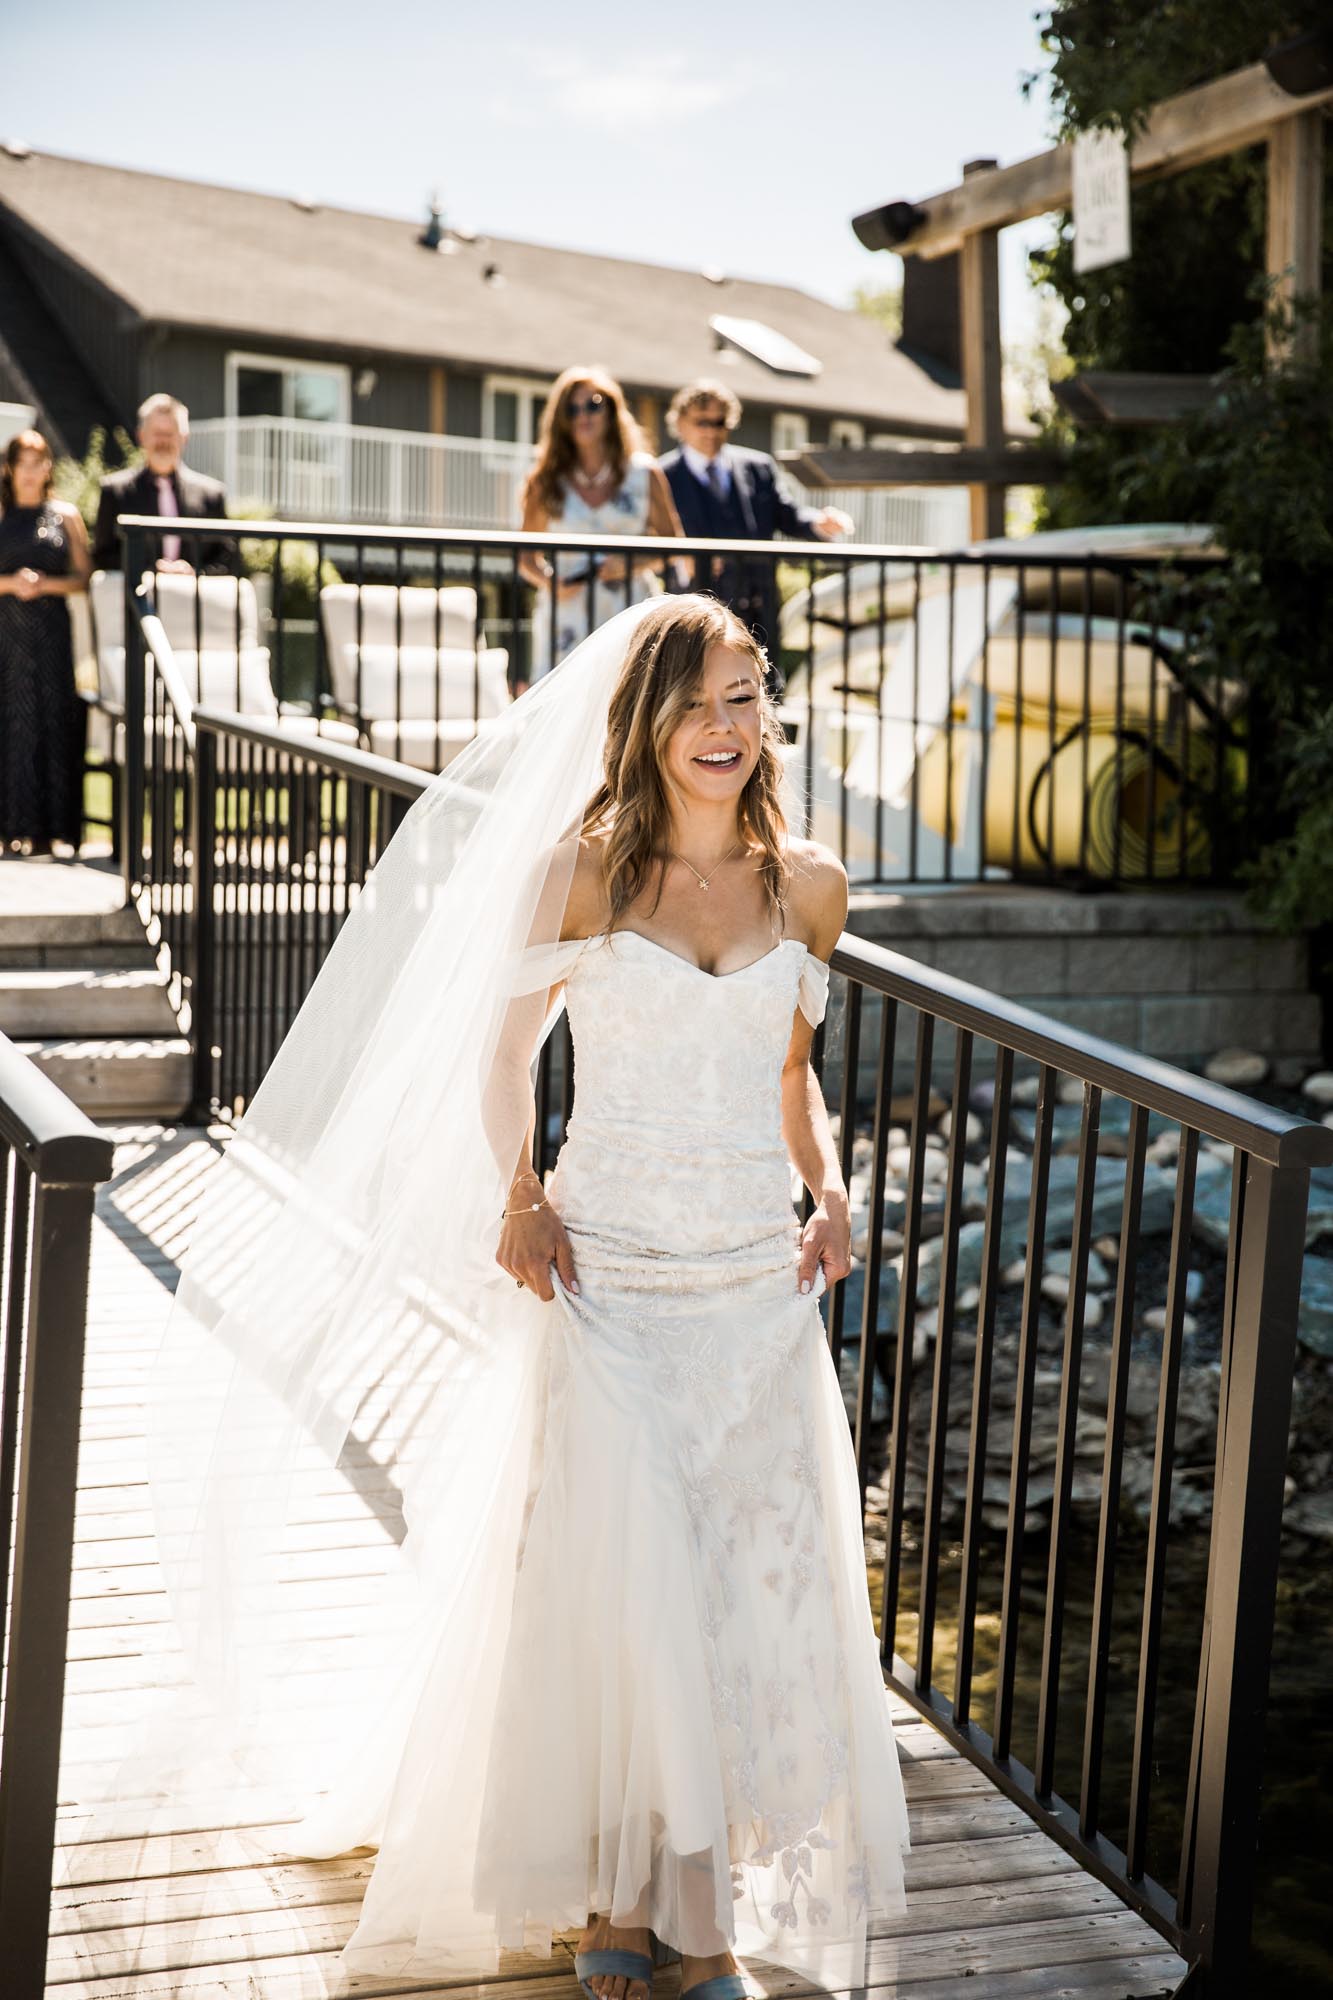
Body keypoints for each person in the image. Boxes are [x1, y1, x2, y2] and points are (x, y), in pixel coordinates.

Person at [88, 595, 910, 1991]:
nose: (723, 728)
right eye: (696, 703)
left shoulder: (808, 889)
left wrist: (827, 1189)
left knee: (736, 1587)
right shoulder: (579, 873)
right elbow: (502, 1054)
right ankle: (621, 1904)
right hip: (610, 1276)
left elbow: (791, 1074)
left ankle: (691, 1902)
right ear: (645, 721)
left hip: (750, 1285)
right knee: (620, 1583)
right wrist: (519, 1190)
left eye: (743, 698)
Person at [658, 381, 853, 691]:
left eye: (720, 422)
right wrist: (683, 559)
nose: (711, 431)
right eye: (702, 422)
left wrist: (819, 522)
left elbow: (788, 514)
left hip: (757, 602)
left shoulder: (757, 467)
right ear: (680, 423)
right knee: (696, 688)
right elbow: (654, 537)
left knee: (762, 688)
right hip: (695, 603)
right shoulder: (661, 475)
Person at [519, 367, 684, 676]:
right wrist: (550, 582)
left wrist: (630, 565)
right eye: (572, 409)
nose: (583, 415)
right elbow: (526, 557)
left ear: (612, 410)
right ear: (561, 419)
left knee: (630, 696)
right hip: (566, 615)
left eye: (592, 404)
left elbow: (673, 545)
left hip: (630, 610)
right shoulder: (546, 480)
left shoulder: (644, 474)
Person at [0, 430, 91, 856]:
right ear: (10, 468)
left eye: (39, 462)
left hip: (52, 634)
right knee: (11, 724)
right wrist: (12, 583)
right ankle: (9, 827)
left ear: (48, 467)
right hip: (7, 634)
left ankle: (51, 830)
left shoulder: (65, 515)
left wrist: (44, 584)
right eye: (24, 463)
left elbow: (83, 578)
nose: (31, 472)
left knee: (53, 722)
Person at [92, 392, 237, 575]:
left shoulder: (212, 495)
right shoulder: (114, 491)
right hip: (137, 592)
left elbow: (227, 558)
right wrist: (149, 570)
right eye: (157, 433)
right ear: (141, 436)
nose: (163, 441)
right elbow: (102, 556)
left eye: (170, 434)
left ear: (185, 437)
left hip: (195, 592)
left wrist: (195, 573)